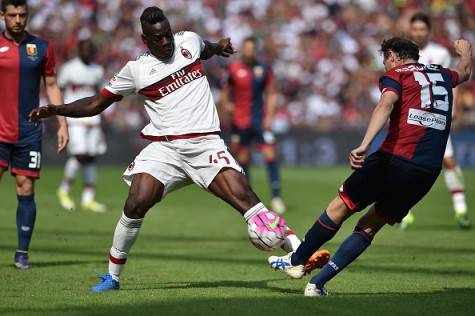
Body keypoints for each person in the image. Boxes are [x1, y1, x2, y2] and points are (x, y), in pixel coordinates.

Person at [30, 6, 329, 292]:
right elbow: (96, 103)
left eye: (167, 34)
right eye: (157, 38)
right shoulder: (136, 70)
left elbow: (207, 47)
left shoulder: (188, 41)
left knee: (249, 202)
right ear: (144, 39)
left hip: (205, 145)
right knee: (135, 203)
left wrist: (220, 46)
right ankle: (112, 276)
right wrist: (58, 109)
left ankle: (298, 257)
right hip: (166, 149)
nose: (165, 41)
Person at [268, 37, 472, 297]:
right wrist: (466, 52)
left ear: (392, 55)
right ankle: (317, 284)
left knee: (340, 205)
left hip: (393, 160)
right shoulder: (443, 73)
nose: (385, 65)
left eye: (385, 60)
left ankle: (297, 260)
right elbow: (465, 71)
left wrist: (365, 144)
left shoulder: (397, 74)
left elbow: (385, 104)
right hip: (427, 172)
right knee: (371, 225)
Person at [0, 0, 68, 269]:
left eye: (22, 15)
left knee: (25, 188)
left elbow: (51, 86)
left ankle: (22, 253)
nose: (18, 20)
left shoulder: (41, 48)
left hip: (29, 132)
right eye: (12, 15)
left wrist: (62, 123)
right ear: (2, 15)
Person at [404, 13, 471, 228]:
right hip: (411, 117)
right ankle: (403, 212)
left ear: (429, 31)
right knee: (406, 163)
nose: (418, 33)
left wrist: (454, 108)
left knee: (449, 161)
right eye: (415, 29)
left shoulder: (440, 53)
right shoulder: (404, 53)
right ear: (410, 30)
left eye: (422, 29)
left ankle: (461, 210)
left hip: (435, 116)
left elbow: (453, 81)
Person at [220, 36, 285, 214]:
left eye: (252, 49)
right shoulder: (233, 69)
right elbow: (225, 94)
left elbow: (271, 93)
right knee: (243, 159)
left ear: (256, 51)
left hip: (259, 120)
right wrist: (227, 108)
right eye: (246, 49)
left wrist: (269, 117)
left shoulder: (264, 69)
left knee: (270, 155)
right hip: (239, 121)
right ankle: (248, 198)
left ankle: (277, 197)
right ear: (243, 50)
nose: (249, 52)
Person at [56, 40, 107, 213]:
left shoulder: (98, 70)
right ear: (79, 51)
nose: (86, 52)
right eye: (84, 49)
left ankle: (88, 199)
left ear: (93, 52)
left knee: (91, 157)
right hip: (75, 118)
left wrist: (104, 116)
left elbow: (101, 96)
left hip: (93, 120)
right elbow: (58, 90)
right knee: (79, 154)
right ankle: (64, 191)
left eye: (89, 50)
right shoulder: (69, 68)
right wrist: (59, 113)